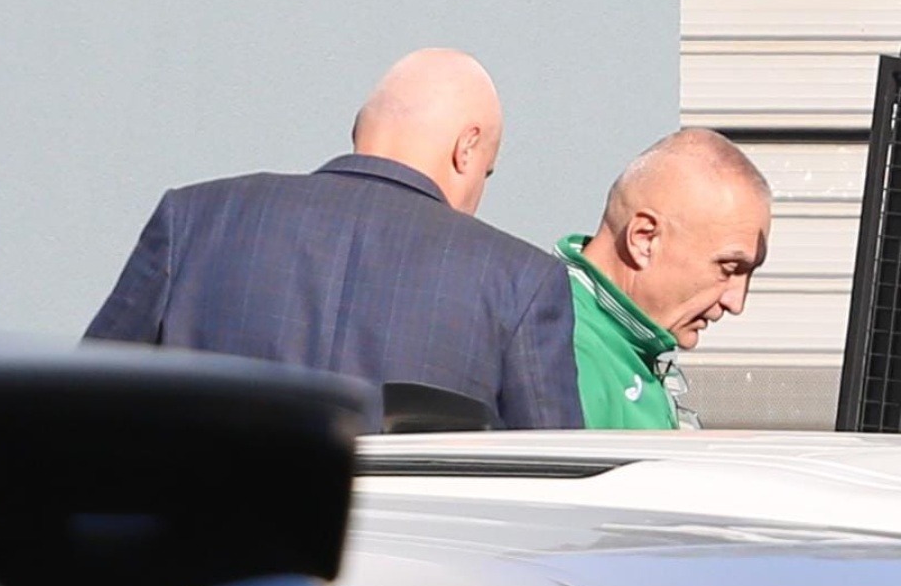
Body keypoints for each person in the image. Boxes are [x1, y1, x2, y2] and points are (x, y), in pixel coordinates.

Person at [84, 48, 584, 431]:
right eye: (487, 173)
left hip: (208, 536)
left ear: (359, 129)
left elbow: (82, 406)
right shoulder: (520, 282)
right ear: (467, 147)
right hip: (409, 540)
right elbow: (555, 485)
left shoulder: (194, 219)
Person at [554, 128, 771, 430]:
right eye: (729, 267)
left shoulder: (622, 343)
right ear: (644, 239)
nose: (736, 303)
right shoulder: (565, 352)